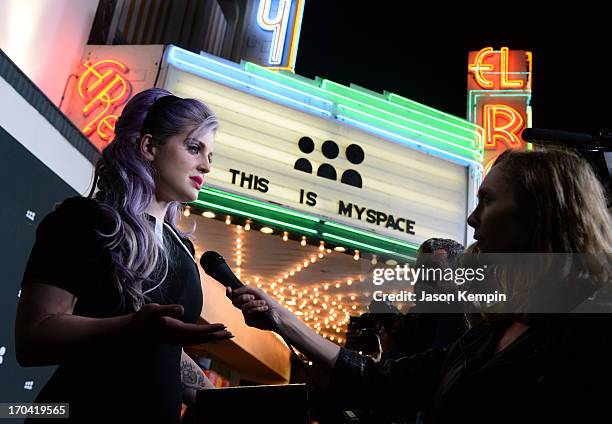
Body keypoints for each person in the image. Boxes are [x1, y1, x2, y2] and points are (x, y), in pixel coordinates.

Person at [228, 148, 612, 423]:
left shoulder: (591, 326)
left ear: (540, 213)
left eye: (488, 199)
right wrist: (280, 318)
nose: (472, 217)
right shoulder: (484, 336)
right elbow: (379, 380)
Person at [15, 88, 232, 423]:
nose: (205, 165)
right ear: (149, 147)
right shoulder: (83, 220)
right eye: (194, 148)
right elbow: (34, 337)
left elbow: (164, 350)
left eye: (210, 155)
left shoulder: (183, 249)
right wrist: (132, 326)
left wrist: (225, 402)